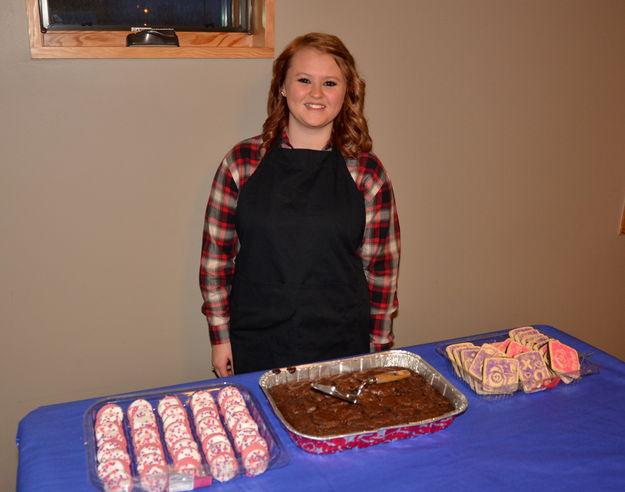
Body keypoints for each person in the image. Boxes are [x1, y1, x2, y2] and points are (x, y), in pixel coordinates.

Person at [200, 32, 400, 377]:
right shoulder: (241, 162)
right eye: (304, 80)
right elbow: (216, 262)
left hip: (341, 343)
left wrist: (378, 349)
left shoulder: (367, 172)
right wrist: (220, 338)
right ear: (282, 86)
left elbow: (381, 271)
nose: (316, 93)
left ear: (347, 93)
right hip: (256, 340)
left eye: (330, 83)